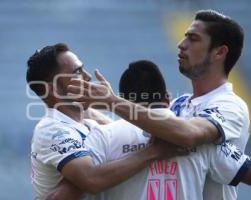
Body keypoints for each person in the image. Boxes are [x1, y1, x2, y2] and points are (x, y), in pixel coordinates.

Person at [66, 10, 251, 199]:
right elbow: (135, 128)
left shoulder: (230, 106)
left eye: (193, 39)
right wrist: (85, 110)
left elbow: (188, 134)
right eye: (184, 37)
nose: (181, 44)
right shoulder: (179, 106)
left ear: (219, 52)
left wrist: (112, 101)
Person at [53, 60, 251, 199]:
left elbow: (62, 196)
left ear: (124, 101)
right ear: (167, 98)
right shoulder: (201, 138)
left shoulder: (103, 137)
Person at [27, 43, 180, 200]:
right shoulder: (52, 129)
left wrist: (111, 101)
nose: (87, 76)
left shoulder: (86, 123)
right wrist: (154, 151)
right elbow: (91, 179)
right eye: (77, 72)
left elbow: (123, 131)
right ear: (53, 89)